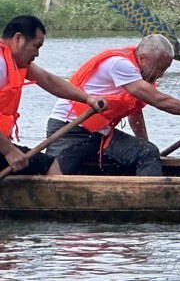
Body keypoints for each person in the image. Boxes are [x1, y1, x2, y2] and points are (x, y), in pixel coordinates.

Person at [45, 34, 180, 176]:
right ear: (142, 58)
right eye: (158, 69)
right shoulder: (120, 64)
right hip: (70, 130)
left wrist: (145, 144)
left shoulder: (139, 74)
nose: (160, 75)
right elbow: (161, 101)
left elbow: (134, 113)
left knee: (146, 152)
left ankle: (149, 198)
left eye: (164, 70)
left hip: (99, 134)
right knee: (49, 173)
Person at [1, 15, 106, 176]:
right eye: (36, 46)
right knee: (49, 165)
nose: (36, 54)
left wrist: (88, 99)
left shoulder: (15, 62)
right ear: (18, 39)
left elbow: (49, 80)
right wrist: (9, 151)